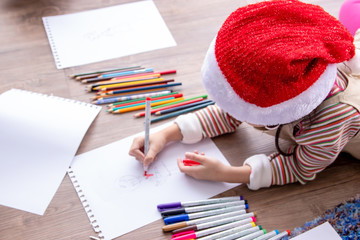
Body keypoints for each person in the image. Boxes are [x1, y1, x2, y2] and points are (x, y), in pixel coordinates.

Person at [129, 0, 360, 190]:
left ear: (274, 113)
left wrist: (229, 173)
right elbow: (232, 110)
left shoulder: (332, 120)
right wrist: (166, 134)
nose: (233, 110)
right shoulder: (280, 91)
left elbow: (301, 166)